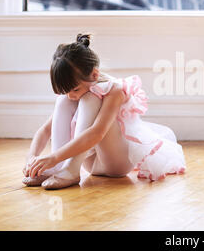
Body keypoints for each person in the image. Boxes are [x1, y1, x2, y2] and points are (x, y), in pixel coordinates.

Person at [22, 33, 186, 190]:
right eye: (68, 91)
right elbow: (45, 130)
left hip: (116, 163)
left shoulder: (115, 90)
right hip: (91, 162)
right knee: (62, 100)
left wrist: (54, 156)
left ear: (94, 74)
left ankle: (71, 170)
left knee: (89, 98)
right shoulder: (71, 95)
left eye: (75, 89)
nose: (72, 96)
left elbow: (97, 133)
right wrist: (32, 158)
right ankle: (59, 168)